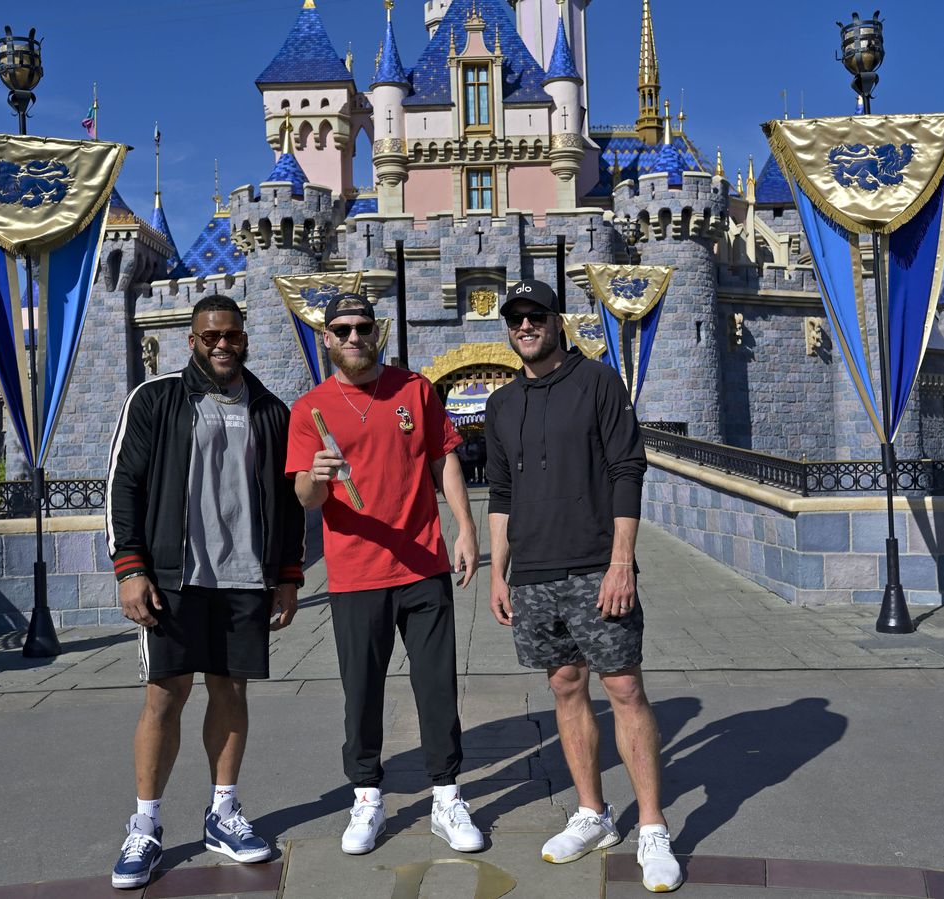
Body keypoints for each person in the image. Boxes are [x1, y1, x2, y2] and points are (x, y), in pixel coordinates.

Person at [485, 280, 682, 893]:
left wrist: (623, 560)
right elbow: (501, 495)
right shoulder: (500, 404)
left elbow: (628, 468)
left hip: (597, 563)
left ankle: (651, 825)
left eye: (535, 316)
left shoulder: (598, 382)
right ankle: (593, 813)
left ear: (556, 321)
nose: (525, 326)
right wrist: (498, 572)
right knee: (566, 686)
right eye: (515, 319)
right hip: (535, 571)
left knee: (624, 688)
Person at [105, 295, 305, 888]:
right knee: (165, 696)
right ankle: (145, 825)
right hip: (173, 576)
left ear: (246, 339)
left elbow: (289, 503)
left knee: (231, 691)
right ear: (191, 341)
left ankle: (223, 812)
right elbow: (124, 484)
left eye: (232, 335)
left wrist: (288, 574)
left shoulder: (271, 409)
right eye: (210, 336)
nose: (222, 344)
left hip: (244, 576)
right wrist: (129, 566)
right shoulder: (157, 398)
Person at [286, 293, 484, 856]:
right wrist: (317, 476)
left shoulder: (414, 389)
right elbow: (305, 497)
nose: (352, 337)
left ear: (378, 332)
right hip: (354, 573)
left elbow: (444, 457)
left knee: (436, 686)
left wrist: (465, 528)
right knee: (362, 693)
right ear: (327, 338)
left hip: (422, 564)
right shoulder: (311, 409)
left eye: (362, 327)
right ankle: (367, 796)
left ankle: (446, 795)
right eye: (341, 329)